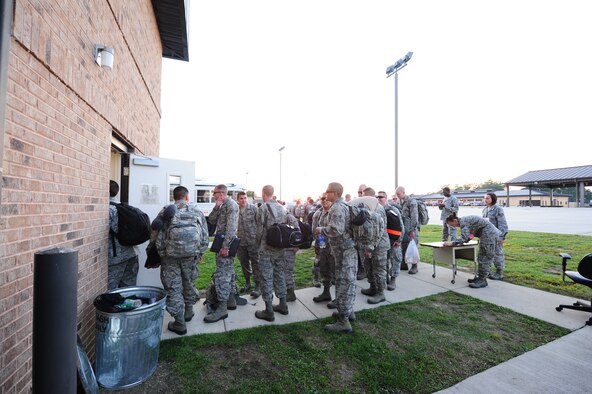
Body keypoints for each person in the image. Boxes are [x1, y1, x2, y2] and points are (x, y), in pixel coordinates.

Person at [155, 186, 209, 335]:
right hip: (191, 256)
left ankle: (179, 323)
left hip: (170, 257)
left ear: (174, 197)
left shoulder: (166, 210)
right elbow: (205, 234)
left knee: (173, 288)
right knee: (189, 282)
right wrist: (200, 252)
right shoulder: (196, 210)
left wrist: (160, 253)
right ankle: (189, 312)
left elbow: (156, 233)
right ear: (187, 197)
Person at [316, 182, 357, 333]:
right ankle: (348, 312)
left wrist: (321, 229)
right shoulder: (341, 206)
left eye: (327, 191)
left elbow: (336, 230)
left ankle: (344, 322)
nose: (325, 194)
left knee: (344, 283)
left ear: (335, 193)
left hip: (345, 253)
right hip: (343, 252)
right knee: (345, 282)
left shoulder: (338, 208)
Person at [254, 185, 298, 321]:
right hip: (280, 249)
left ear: (263, 194)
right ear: (273, 194)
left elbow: (260, 230)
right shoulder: (282, 207)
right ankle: (283, 305)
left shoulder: (263, 208)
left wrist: (257, 244)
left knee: (266, 277)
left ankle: (269, 310)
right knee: (279, 275)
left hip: (266, 249)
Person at [204, 184, 239, 323]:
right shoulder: (221, 204)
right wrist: (216, 207)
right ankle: (230, 300)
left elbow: (232, 228)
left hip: (226, 245)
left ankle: (222, 308)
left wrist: (225, 247)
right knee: (228, 272)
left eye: (214, 193)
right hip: (221, 243)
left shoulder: (231, 205)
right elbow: (211, 220)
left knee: (222, 274)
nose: (213, 195)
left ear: (222, 193)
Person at [445, 214, 501, 288]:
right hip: (487, 235)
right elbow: (470, 235)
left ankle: (482, 280)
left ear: (455, 220)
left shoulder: (463, 222)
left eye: (452, 225)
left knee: (485, 258)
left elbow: (464, 237)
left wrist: (452, 243)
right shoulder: (464, 221)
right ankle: (480, 278)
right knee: (481, 257)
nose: (454, 227)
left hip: (489, 235)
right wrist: (466, 239)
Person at [358, 187, 390, 304]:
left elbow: (377, 231)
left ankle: (380, 293)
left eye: (363, 195)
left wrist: (370, 248)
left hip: (378, 245)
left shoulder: (377, 208)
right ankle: (372, 288)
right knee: (368, 267)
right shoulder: (367, 207)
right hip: (368, 245)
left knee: (379, 269)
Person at [108, 180, 139, 290]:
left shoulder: (107, 210)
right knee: (129, 290)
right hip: (132, 254)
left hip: (116, 258)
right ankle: (130, 307)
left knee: (112, 292)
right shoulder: (126, 208)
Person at [378, 190, 404, 291]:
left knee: (395, 259)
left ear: (386, 198)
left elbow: (400, 225)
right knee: (384, 260)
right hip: (382, 241)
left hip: (393, 240)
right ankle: (386, 277)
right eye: (378, 197)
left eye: (381, 197)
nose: (379, 199)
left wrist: (399, 240)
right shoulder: (376, 210)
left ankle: (393, 279)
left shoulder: (393, 210)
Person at [236, 191, 261, 297]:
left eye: (245, 198)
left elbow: (260, 224)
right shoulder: (235, 210)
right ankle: (248, 283)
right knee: (244, 264)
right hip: (240, 243)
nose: (244, 200)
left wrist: (259, 239)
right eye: (241, 198)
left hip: (253, 242)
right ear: (237, 199)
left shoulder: (254, 209)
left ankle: (258, 285)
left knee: (256, 264)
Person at [311, 194, 335, 303]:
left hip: (335, 248)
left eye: (326, 199)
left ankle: (339, 299)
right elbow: (316, 231)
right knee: (324, 270)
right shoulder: (317, 214)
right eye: (322, 199)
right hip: (323, 247)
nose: (324, 201)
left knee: (336, 272)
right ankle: (326, 293)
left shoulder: (335, 212)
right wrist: (319, 245)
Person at [482, 192, 509, 280]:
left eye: (487, 198)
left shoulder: (498, 209)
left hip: (496, 235)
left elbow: (502, 224)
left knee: (498, 254)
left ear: (493, 199)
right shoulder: (485, 209)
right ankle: (488, 271)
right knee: (488, 254)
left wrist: (501, 237)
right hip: (487, 236)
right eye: (485, 198)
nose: (485, 200)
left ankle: (499, 272)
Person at [396, 186, 420, 274]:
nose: (397, 196)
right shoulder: (401, 201)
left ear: (403, 192)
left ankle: (414, 266)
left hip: (411, 228)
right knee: (404, 245)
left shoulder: (411, 201)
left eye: (398, 194)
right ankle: (404, 264)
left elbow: (414, 216)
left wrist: (413, 229)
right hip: (404, 227)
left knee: (413, 246)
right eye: (397, 194)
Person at [355, 184, 368, 279]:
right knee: (359, 254)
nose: (360, 194)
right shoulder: (355, 203)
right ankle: (361, 269)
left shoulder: (372, 203)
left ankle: (365, 270)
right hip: (358, 234)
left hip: (368, 235)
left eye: (361, 192)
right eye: (358, 192)